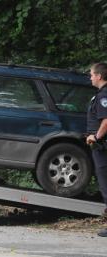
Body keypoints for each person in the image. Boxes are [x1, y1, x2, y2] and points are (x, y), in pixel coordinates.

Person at [86, 62, 107, 237]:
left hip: (103, 147)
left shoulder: (103, 95)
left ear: (99, 76)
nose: (90, 77)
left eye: (92, 74)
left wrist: (96, 137)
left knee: (106, 186)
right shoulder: (101, 94)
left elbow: (106, 120)